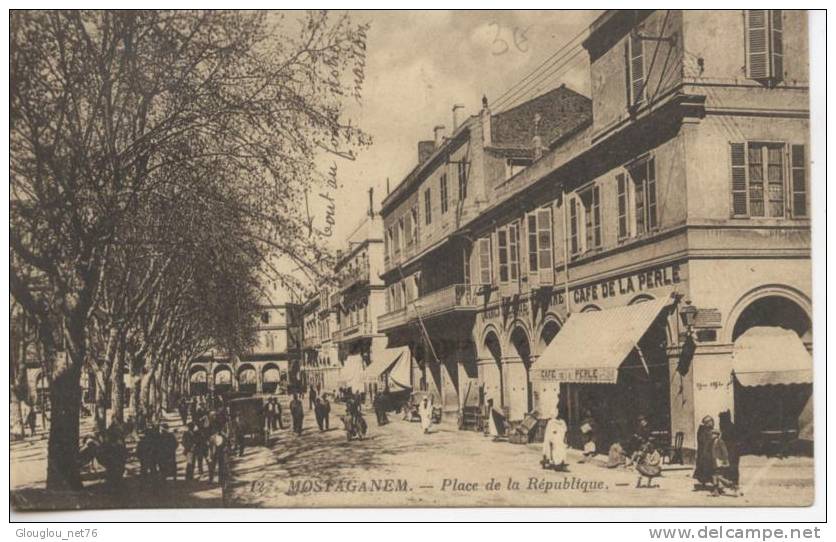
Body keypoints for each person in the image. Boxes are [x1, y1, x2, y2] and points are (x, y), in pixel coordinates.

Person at [709, 429, 738, 497]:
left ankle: (730, 484)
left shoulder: (720, 441)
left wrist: (725, 460)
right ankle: (715, 491)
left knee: (717, 476)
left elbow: (725, 452)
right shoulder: (713, 442)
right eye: (711, 434)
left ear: (717, 435)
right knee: (714, 475)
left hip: (719, 461)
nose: (711, 435)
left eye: (713, 434)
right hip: (714, 460)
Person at [541, 406, 569, 470]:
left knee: (562, 450)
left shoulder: (562, 422)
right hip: (554, 440)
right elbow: (549, 433)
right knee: (555, 450)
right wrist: (551, 439)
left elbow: (565, 430)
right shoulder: (551, 422)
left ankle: (561, 462)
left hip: (560, 439)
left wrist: (564, 438)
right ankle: (556, 463)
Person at [718, 410, 740, 487]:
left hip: (731, 450)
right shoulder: (729, 426)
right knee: (732, 466)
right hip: (732, 450)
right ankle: (732, 481)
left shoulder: (728, 427)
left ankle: (733, 482)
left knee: (732, 465)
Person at [693, 415, 715, 489]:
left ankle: (705, 483)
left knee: (706, 468)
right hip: (705, 453)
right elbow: (705, 441)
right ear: (707, 423)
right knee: (707, 468)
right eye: (711, 421)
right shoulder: (703, 431)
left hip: (705, 452)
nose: (713, 423)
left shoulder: (706, 430)